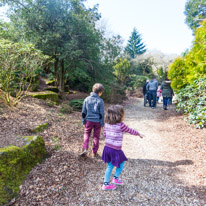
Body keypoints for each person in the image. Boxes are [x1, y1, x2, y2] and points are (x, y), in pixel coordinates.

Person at [102, 105, 144, 190]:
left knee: (112, 165)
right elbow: (130, 130)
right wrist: (138, 134)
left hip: (107, 148)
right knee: (118, 164)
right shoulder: (121, 125)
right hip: (115, 150)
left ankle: (112, 180)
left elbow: (105, 134)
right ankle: (107, 183)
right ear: (119, 115)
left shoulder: (106, 124)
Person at [80, 83, 104, 157]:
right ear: (100, 92)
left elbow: (84, 112)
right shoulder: (100, 101)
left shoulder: (87, 99)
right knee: (96, 137)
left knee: (87, 134)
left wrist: (83, 121)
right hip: (97, 122)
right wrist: (102, 124)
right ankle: (94, 152)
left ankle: (85, 148)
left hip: (89, 121)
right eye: (101, 93)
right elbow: (102, 114)